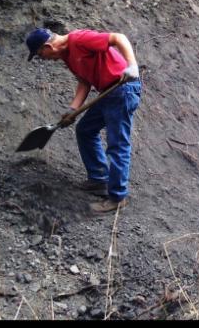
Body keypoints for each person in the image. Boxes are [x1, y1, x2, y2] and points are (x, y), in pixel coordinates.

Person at [25, 27, 142, 213]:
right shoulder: (67, 56)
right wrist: (73, 110)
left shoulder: (79, 39)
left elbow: (118, 38)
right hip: (107, 93)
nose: (43, 59)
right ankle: (99, 179)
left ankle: (118, 197)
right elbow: (84, 82)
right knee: (85, 130)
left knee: (117, 144)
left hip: (123, 89)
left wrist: (132, 65)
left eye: (40, 55)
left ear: (48, 47)